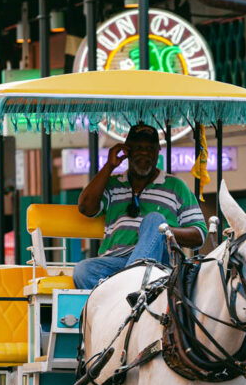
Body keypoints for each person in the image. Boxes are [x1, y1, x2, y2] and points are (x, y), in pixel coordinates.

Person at [73, 123, 206, 289]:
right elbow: (85, 208)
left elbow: (199, 235)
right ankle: (129, 293)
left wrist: (164, 232)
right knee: (82, 270)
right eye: (138, 148)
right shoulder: (113, 184)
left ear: (158, 152)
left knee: (155, 221)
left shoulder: (176, 186)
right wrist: (109, 166)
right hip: (116, 262)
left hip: (158, 264)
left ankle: (130, 282)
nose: (144, 153)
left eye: (150, 148)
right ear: (127, 151)